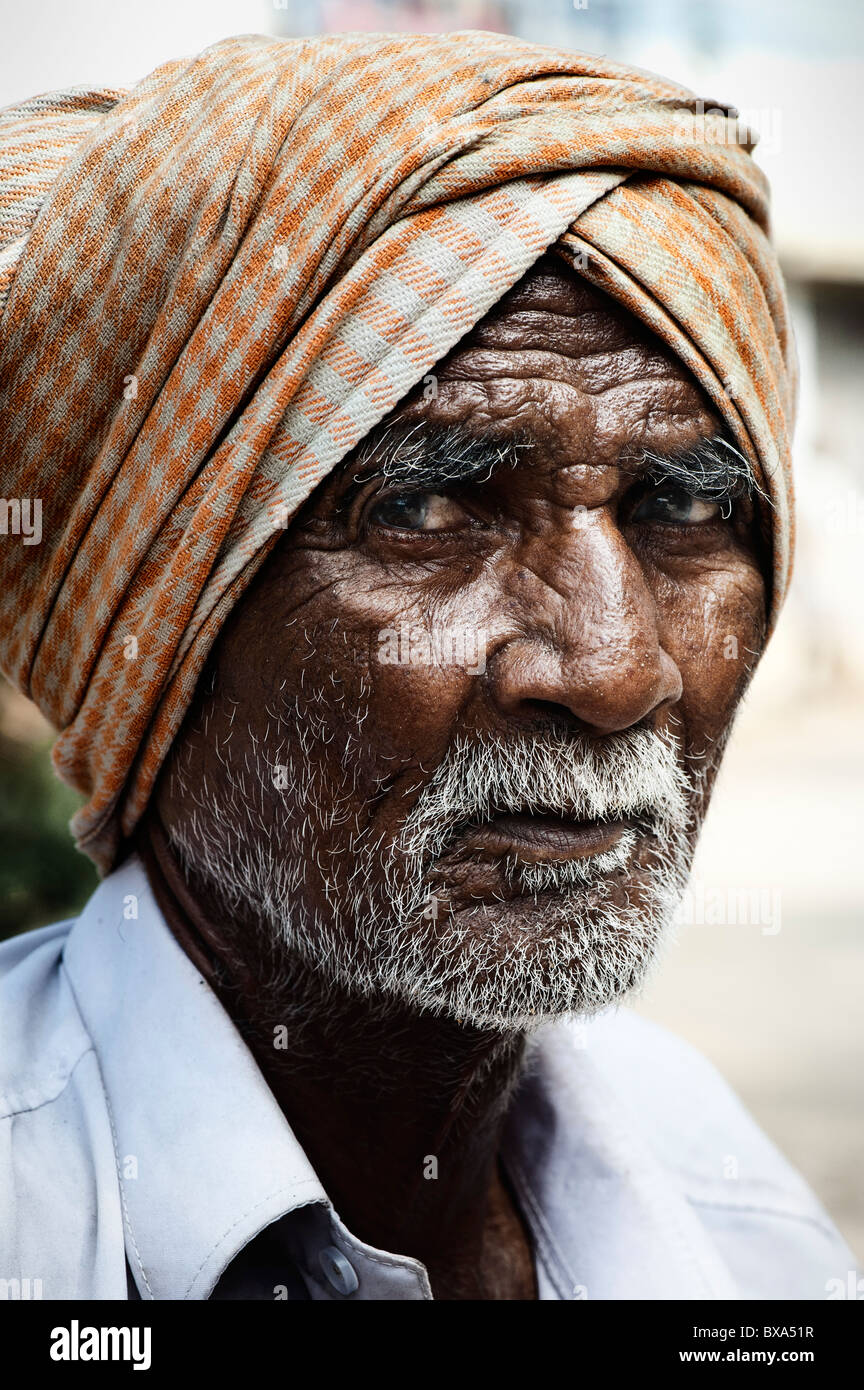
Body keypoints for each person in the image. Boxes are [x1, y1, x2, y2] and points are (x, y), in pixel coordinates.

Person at [0, 31, 856, 1300]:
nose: (615, 670)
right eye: (425, 509)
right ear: (157, 616)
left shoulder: (733, 1215)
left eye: (683, 507)